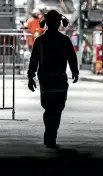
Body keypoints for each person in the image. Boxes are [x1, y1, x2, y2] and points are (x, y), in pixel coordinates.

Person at [27, 10, 79, 148]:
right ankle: (52, 133)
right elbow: (72, 57)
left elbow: (34, 61)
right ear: (59, 23)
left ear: (46, 23)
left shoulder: (40, 40)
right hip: (59, 79)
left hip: (45, 79)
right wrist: (75, 71)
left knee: (49, 108)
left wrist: (30, 76)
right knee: (57, 108)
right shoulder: (64, 40)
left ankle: (49, 133)